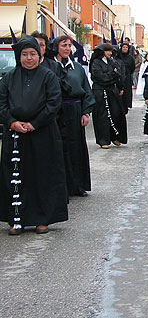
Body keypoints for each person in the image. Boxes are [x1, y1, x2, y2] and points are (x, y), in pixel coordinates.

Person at [0, 36, 67, 235]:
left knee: (42, 175)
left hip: (42, 133)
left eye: (33, 54)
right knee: (16, 176)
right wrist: (12, 122)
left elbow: (54, 103)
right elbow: (1, 104)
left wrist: (34, 124)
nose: (29, 58)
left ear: (39, 56)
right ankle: (16, 219)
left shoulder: (48, 76)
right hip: (15, 134)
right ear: (19, 57)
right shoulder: (9, 78)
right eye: (25, 54)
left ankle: (42, 218)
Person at [53, 35, 95, 197]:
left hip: (75, 111)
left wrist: (85, 112)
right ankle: (61, 186)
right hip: (57, 112)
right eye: (63, 45)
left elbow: (86, 90)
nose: (67, 48)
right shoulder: (50, 67)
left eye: (69, 45)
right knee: (59, 148)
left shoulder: (77, 67)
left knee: (76, 148)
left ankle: (77, 185)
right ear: (56, 47)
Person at [89, 43, 128, 149]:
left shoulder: (112, 61)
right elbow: (100, 76)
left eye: (111, 51)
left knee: (116, 113)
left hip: (111, 90)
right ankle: (103, 140)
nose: (110, 53)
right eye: (108, 51)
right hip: (100, 91)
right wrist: (112, 74)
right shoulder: (96, 62)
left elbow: (118, 73)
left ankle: (115, 136)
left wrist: (113, 76)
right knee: (102, 116)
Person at [116, 42, 135, 110]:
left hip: (127, 76)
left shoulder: (130, 58)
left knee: (127, 91)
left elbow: (133, 67)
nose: (125, 48)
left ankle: (127, 105)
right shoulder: (118, 57)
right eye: (123, 47)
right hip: (119, 76)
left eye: (126, 47)